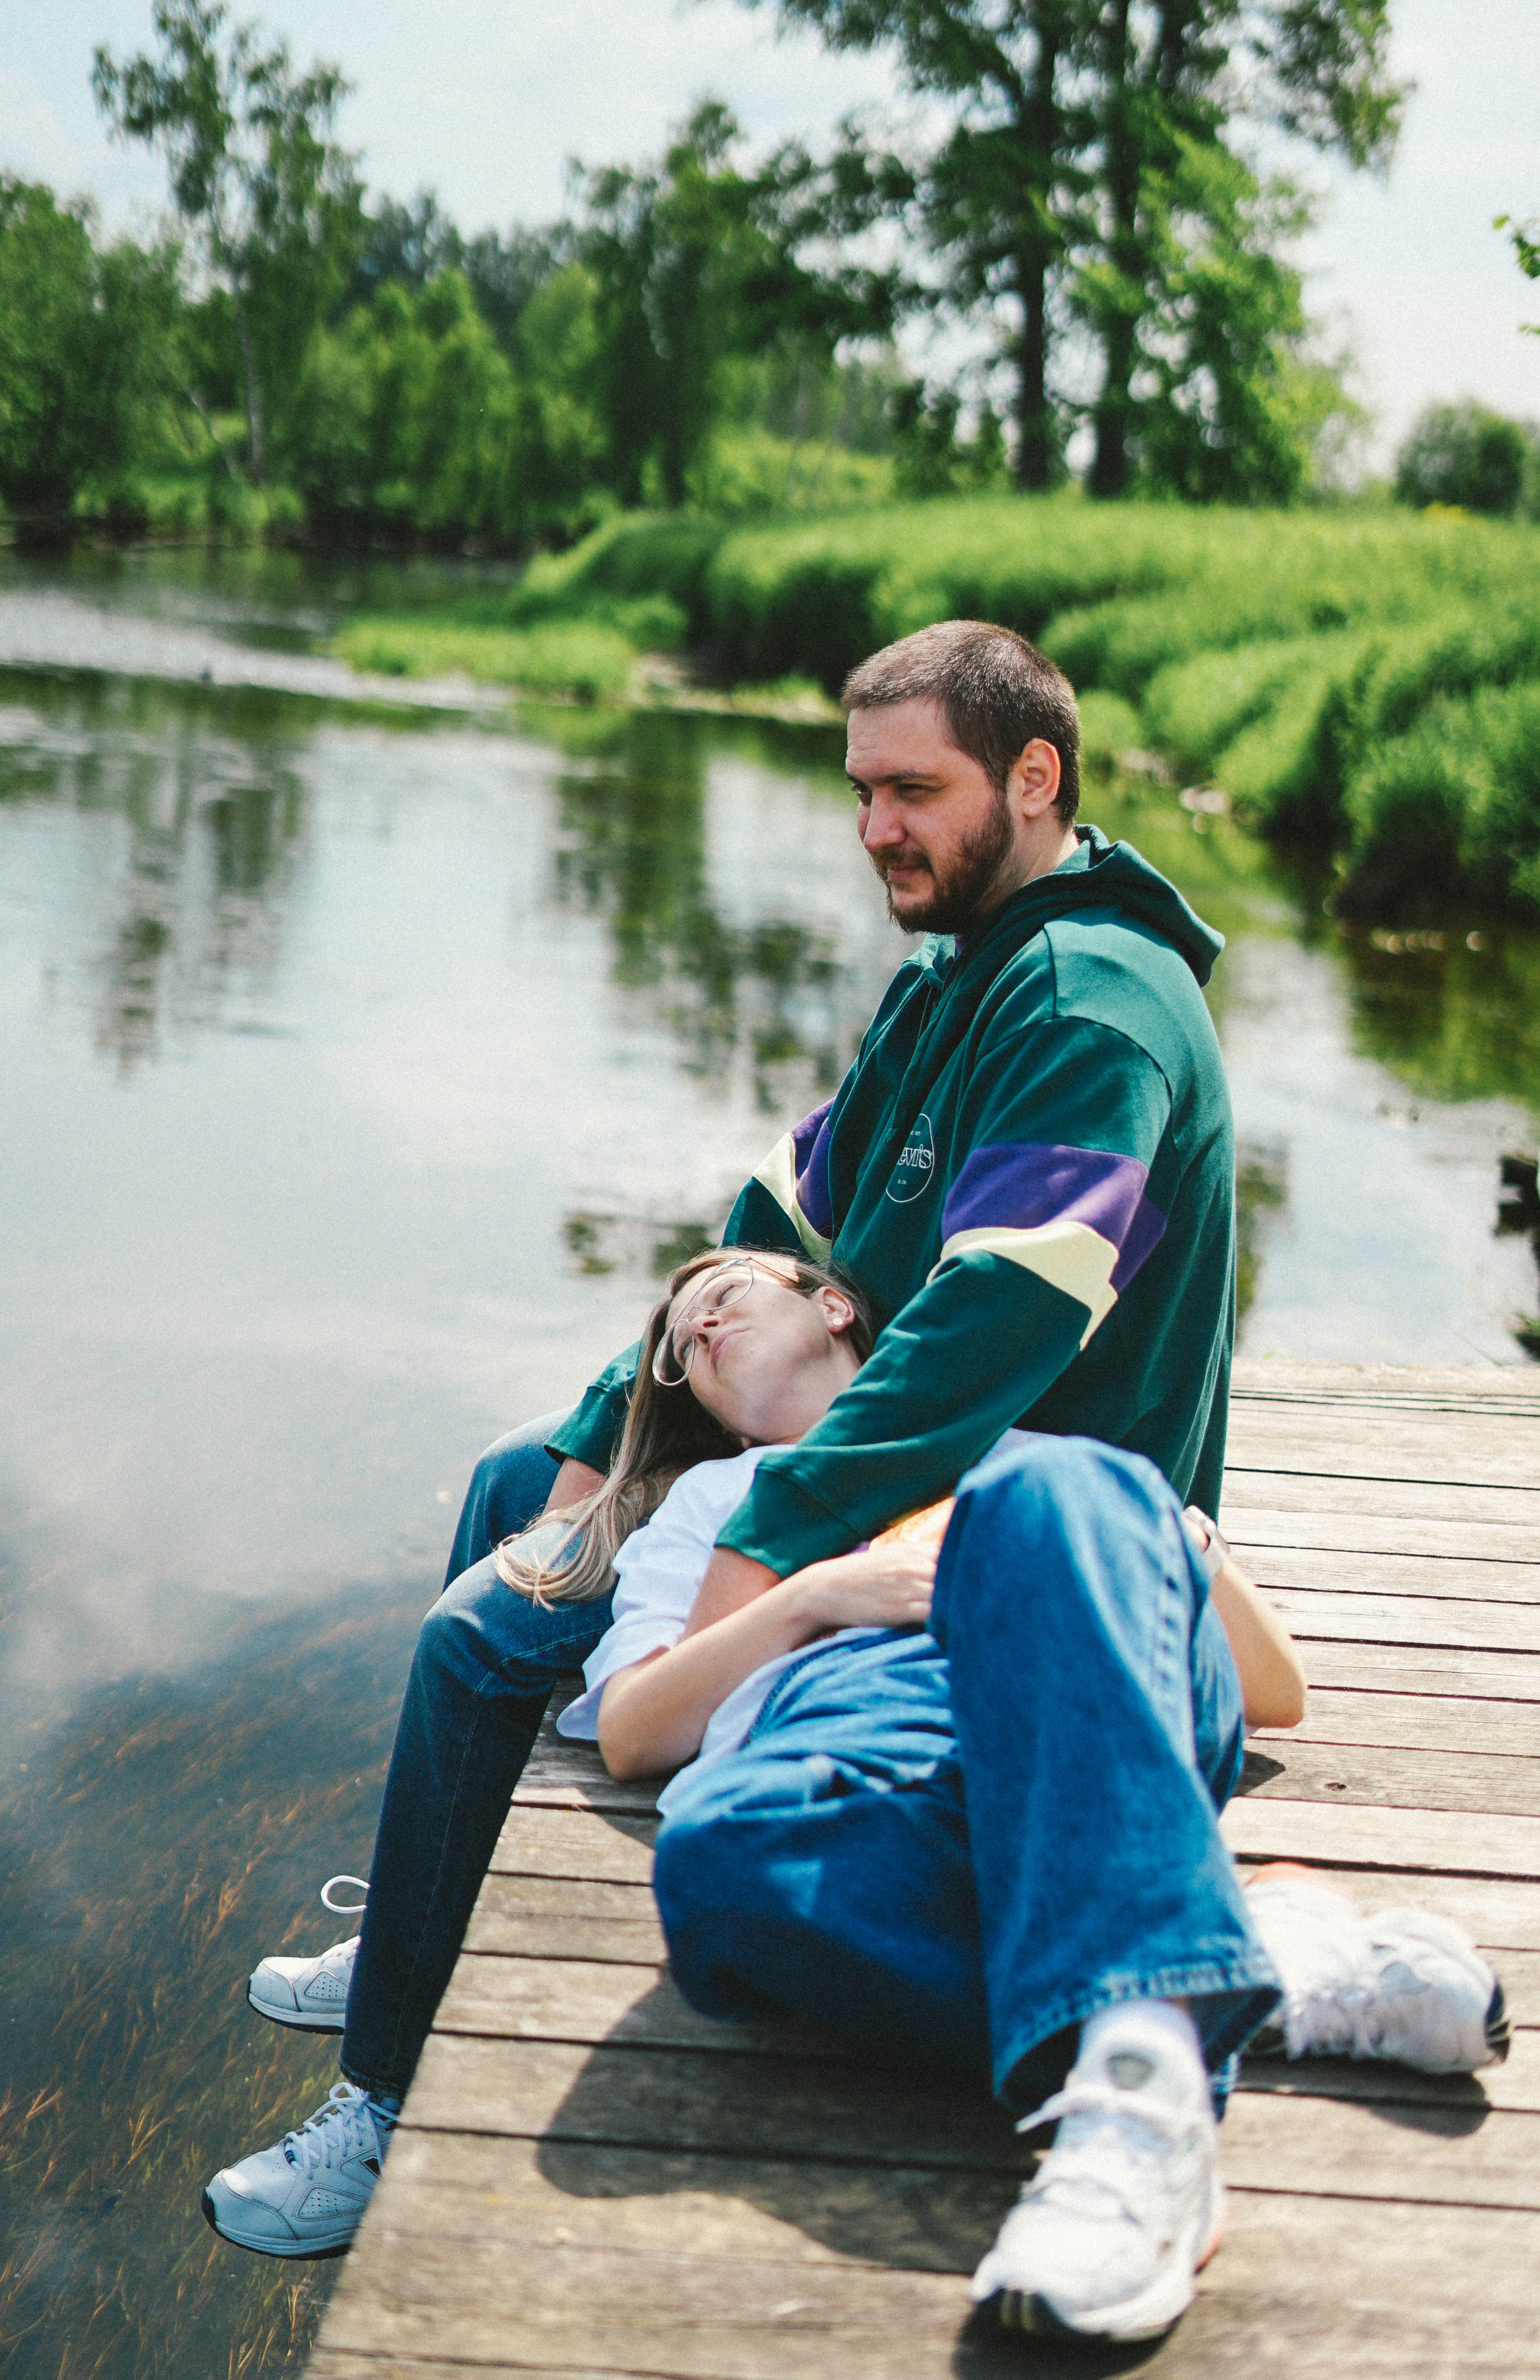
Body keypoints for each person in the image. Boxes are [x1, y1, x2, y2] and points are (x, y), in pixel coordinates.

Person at [196, 620, 1355, 2250]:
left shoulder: (1093, 1007)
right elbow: (776, 1221)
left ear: (1036, 779)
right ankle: (418, 1929)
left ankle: (383, 2106)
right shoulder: (952, 974)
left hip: (1000, 1537)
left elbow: (985, 1339)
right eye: (861, 790)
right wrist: (624, 1431)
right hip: (854, 1449)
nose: (877, 827)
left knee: (481, 1644)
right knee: (515, 1483)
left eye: (915, 790)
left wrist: (746, 1545)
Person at [205, 1253, 1507, 2307]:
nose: (692, 1323)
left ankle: (1136, 2117)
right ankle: (1249, 1965)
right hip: (852, 1747)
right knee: (716, 1860)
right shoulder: (711, 1502)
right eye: (675, 1343)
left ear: (831, 1301)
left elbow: (1268, 1692)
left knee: (1058, 1485)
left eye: (725, 1291)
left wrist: (1166, 1540)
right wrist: (817, 1594)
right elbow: (639, 1732)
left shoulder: (997, 1438)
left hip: (1065, 1672)